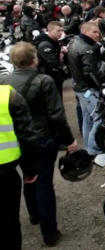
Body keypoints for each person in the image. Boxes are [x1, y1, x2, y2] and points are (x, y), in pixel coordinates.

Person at [0, 42, 77, 247]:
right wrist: (69, 139)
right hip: (42, 136)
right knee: (43, 182)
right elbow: (57, 115)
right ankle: (49, 232)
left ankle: (34, 215)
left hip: (15, 139)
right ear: (34, 59)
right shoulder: (44, 80)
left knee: (28, 177)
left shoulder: (4, 81)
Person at [0, 82, 39, 250]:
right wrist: (30, 170)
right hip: (5, 174)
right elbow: (27, 136)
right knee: (8, 222)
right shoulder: (8, 95)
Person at [67, 22, 103, 155]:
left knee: (88, 118)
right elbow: (90, 72)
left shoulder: (74, 43)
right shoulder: (88, 48)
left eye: (98, 32)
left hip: (80, 88)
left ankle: (89, 146)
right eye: (94, 32)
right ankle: (94, 149)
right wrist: (99, 84)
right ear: (85, 32)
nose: (98, 34)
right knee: (99, 118)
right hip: (87, 89)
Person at [34, 21, 68, 98]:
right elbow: (52, 62)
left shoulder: (54, 41)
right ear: (49, 31)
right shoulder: (45, 43)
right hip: (48, 74)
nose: (61, 33)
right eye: (58, 31)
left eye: (62, 31)